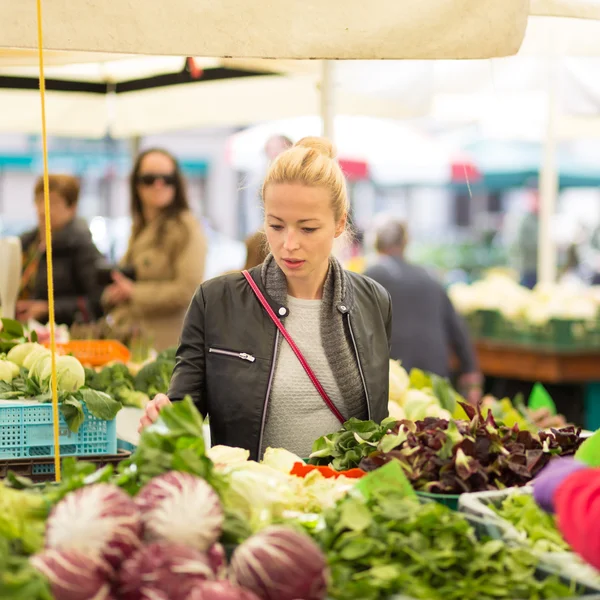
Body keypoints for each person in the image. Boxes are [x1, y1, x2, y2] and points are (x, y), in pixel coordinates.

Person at [139, 137, 392, 460]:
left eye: (308, 229)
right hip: (256, 503)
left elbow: (376, 423)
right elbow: (183, 409)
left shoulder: (374, 302)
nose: (288, 244)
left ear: (340, 222)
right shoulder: (216, 301)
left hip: (346, 500)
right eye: (276, 225)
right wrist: (164, 418)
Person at [364, 218, 482, 403]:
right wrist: (470, 370)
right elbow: (457, 328)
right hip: (435, 375)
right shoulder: (430, 276)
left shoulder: (369, 277)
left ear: (375, 243)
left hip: (395, 380)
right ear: (405, 243)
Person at [103, 148, 207, 351]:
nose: (159, 185)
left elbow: (187, 289)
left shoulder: (186, 228)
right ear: (137, 186)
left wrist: (133, 292)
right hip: (133, 340)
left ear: (176, 184)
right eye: (149, 179)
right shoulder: (139, 227)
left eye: (167, 179)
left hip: (165, 348)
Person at [16, 174, 102, 326]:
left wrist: (48, 308)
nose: (43, 209)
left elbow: (97, 301)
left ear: (72, 208)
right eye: (40, 200)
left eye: (53, 202)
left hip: (63, 335)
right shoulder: (24, 244)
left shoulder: (81, 247)